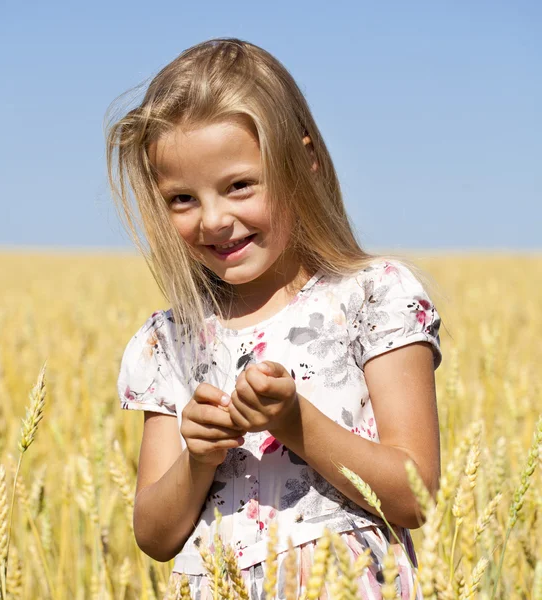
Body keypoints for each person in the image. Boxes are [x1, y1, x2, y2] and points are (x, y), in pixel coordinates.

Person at [106, 37, 443, 600]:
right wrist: (198, 459)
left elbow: (416, 494)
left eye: (239, 186)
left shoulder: (374, 297)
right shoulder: (168, 342)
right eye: (182, 199)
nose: (214, 219)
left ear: (304, 163)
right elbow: (154, 534)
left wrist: (294, 423)